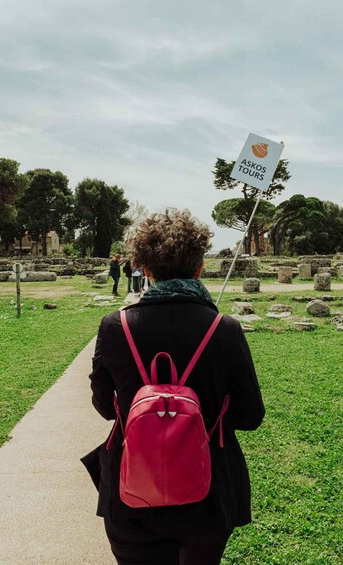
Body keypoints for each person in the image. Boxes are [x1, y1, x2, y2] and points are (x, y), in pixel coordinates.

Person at [84, 209, 264, 564]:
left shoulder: (115, 326)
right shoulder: (224, 329)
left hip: (131, 490)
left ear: (145, 269)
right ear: (200, 267)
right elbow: (250, 416)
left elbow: (104, 408)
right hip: (208, 492)